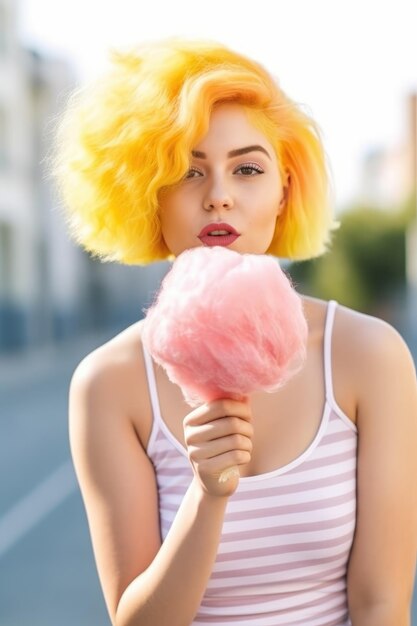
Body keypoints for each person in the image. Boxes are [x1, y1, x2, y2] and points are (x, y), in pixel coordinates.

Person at [53, 38, 417, 626]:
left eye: (247, 168)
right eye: (186, 171)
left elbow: (382, 605)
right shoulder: (108, 384)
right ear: (147, 197)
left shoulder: (369, 355)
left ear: (284, 191)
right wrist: (208, 494)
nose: (218, 194)